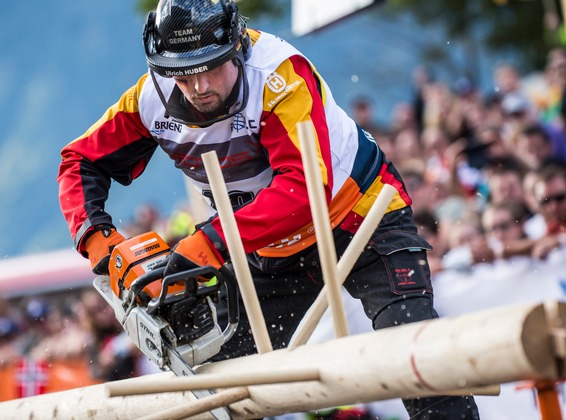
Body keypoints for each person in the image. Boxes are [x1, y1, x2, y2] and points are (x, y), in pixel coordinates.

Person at [57, 1, 480, 417]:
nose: (200, 87)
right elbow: (79, 161)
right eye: (183, 76)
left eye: (211, 67)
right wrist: (97, 240)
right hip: (267, 245)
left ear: (238, 46)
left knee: (417, 354)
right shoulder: (148, 99)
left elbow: (303, 188)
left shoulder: (280, 76)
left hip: (360, 216)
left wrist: (212, 241)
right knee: (216, 381)